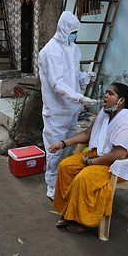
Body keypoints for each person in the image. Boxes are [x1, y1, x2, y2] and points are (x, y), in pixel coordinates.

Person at [50, 82, 128, 233]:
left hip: (116, 165)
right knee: (65, 166)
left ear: (122, 100)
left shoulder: (127, 121)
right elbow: (88, 134)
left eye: (111, 93)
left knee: (84, 178)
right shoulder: (104, 113)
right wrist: (63, 143)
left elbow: (118, 154)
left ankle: (84, 220)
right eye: (106, 92)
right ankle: (69, 212)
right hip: (98, 155)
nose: (105, 95)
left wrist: (91, 162)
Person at [38, 11, 97, 200]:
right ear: (64, 29)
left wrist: (85, 78)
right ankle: (52, 187)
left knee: (69, 149)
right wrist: (79, 98)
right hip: (56, 111)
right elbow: (57, 84)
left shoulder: (74, 48)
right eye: (72, 31)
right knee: (55, 150)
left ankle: (63, 180)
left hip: (71, 110)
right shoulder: (51, 51)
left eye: (76, 31)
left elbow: (73, 77)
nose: (74, 35)